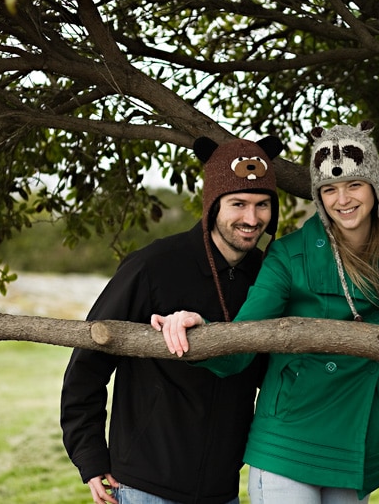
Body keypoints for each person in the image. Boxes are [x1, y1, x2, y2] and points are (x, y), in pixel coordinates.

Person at [152, 121, 379, 504]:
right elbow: (242, 344)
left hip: (355, 439)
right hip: (287, 441)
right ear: (319, 196)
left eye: (354, 185)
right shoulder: (288, 255)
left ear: (375, 187)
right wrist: (200, 331)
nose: (342, 200)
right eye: (329, 189)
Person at [61, 135, 283, 504]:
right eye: (238, 203)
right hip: (144, 485)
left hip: (222, 488)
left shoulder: (268, 278)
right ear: (213, 205)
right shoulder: (153, 266)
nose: (252, 218)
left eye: (262, 205)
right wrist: (89, 456)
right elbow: (88, 364)